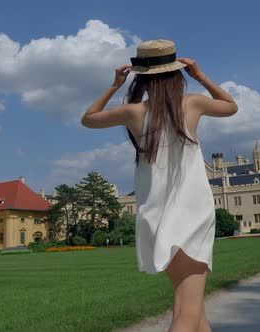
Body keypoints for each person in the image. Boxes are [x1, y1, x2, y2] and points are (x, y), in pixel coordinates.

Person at [81, 39, 238, 332]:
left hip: (154, 216)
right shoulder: (192, 103)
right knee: (187, 313)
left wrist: (115, 85)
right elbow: (231, 106)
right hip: (191, 216)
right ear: (177, 73)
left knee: (195, 310)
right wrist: (201, 77)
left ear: (141, 76)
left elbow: (88, 119)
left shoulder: (132, 112)